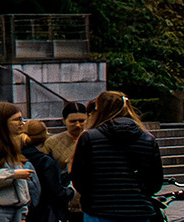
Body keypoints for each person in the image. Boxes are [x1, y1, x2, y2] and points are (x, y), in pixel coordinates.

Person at [69, 90, 162, 222]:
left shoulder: (89, 137)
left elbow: (79, 178)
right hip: (138, 210)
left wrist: (94, 194)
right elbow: (154, 181)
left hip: (99, 209)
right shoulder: (147, 139)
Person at [22, 121, 75, 222]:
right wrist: (71, 191)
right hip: (44, 213)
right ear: (44, 134)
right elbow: (56, 192)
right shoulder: (45, 161)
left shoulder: (16, 157)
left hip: (24, 213)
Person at [46, 105, 89, 217]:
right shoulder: (52, 142)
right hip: (64, 199)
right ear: (64, 121)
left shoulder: (94, 139)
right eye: (73, 121)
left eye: (82, 121)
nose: (78, 125)